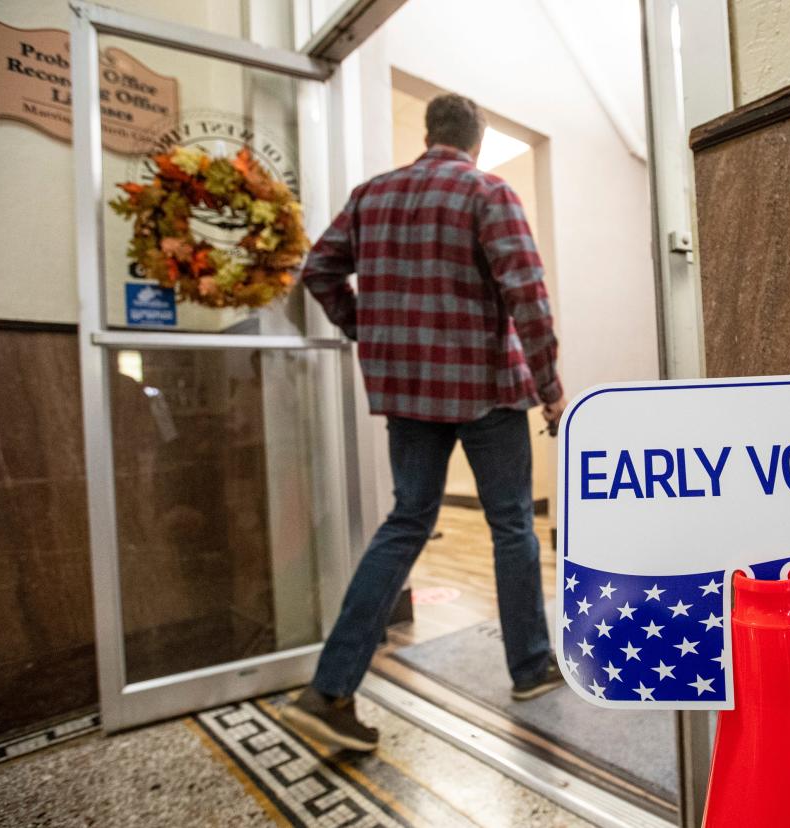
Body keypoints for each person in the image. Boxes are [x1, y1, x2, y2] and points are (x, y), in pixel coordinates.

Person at [281, 94, 567, 753]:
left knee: (407, 522)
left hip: (407, 392)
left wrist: (368, 332)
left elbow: (318, 270)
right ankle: (530, 668)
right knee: (512, 525)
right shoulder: (487, 191)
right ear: (476, 139)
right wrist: (550, 387)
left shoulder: (371, 195)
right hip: (486, 390)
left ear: (428, 132)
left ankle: (328, 691)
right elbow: (527, 294)